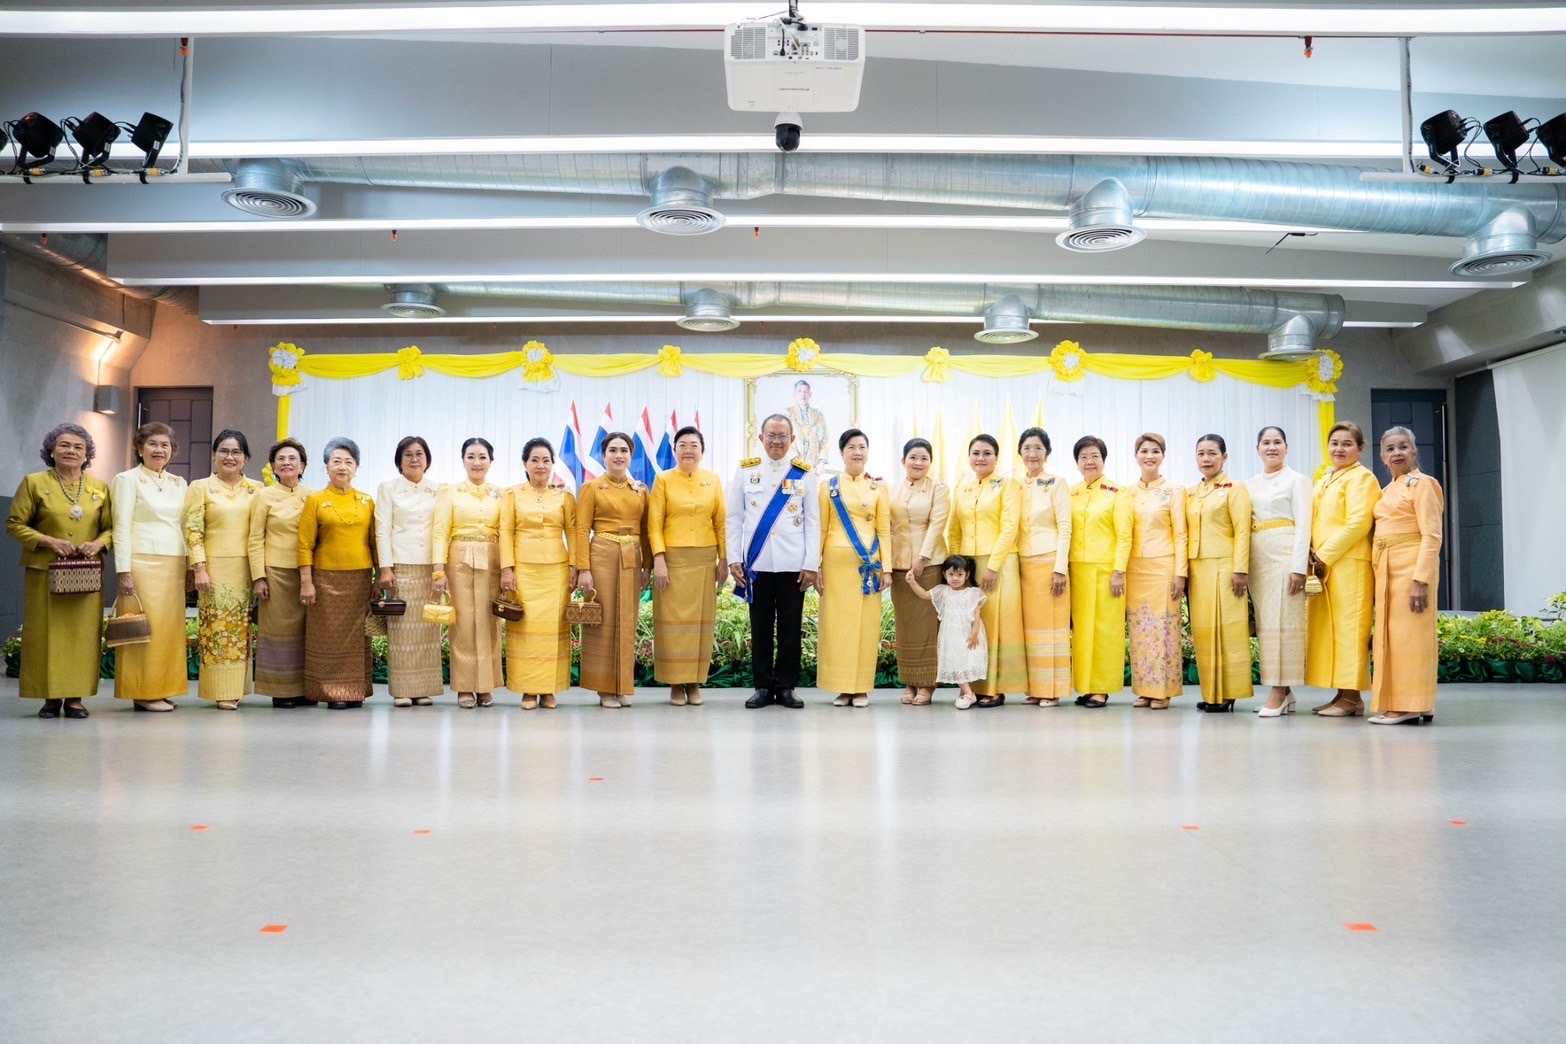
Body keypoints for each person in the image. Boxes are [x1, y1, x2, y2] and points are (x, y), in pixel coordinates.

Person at [6, 424, 113, 719]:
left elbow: (111, 529)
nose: (71, 451)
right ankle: (50, 698)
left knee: (82, 636)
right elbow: (14, 524)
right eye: (64, 445)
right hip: (44, 571)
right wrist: (47, 540)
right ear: (51, 450)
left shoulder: (100, 487)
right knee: (45, 636)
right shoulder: (34, 483)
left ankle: (76, 699)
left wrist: (99, 544)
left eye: (78, 447)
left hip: (86, 573)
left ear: (87, 454)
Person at [730, 414, 819, 710]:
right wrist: (734, 559)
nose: (777, 441)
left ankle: (787, 686)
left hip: (793, 563)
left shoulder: (804, 474)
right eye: (771, 435)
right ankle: (763, 686)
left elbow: (813, 523)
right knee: (761, 626)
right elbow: (734, 519)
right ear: (761, 438)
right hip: (757, 564)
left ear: (792, 440)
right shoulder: (746, 473)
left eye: (783, 436)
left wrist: (811, 564)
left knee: (791, 627)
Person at [110, 422, 189, 712]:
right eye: (152, 444)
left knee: (169, 629)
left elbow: (184, 526)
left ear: (172, 450)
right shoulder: (126, 479)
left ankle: (163, 688)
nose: (159, 449)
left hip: (174, 562)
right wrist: (123, 571)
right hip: (141, 561)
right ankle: (142, 692)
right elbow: (120, 527)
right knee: (143, 628)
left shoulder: (179, 483)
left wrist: (191, 564)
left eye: (165, 445)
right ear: (139, 448)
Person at [1368, 426, 1444, 726]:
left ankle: (1410, 705)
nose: (1396, 453)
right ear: (1382, 456)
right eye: (1390, 448)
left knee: (1412, 636)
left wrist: (1421, 579)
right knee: (1393, 637)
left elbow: (1432, 535)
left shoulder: (1423, 484)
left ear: (1414, 451)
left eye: (1403, 447)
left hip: (1411, 567)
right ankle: (1410, 702)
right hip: (1386, 567)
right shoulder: (1387, 490)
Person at [184, 429, 263, 709]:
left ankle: (237, 687)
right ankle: (221, 690)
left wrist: (261, 574)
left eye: (236, 452)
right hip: (214, 569)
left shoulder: (258, 489)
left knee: (242, 629)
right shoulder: (200, 487)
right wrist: (199, 569)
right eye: (224, 451)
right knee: (217, 629)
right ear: (214, 455)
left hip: (246, 570)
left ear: (245, 458)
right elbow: (192, 530)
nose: (230, 457)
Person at [1306, 421, 1381, 718]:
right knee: (1333, 630)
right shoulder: (1327, 478)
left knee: (1350, 629)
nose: (1339, 449)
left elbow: (1358, 523)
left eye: (1347, 444)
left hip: (1350, 564)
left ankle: (1352, 698)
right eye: (1334, 443)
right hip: (1326, 564)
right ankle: (1341, 694)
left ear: (1360, 449)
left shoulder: (1363, 478)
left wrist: (1323, 555)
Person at [648, 425, 726, 706]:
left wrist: (724, 560)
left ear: (702, 451)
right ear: (675, 450)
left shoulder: (713, 480)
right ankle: (675, 683)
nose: (688, 450)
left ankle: (694, 683)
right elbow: (654, 524)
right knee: (673, 624)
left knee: (700, 625)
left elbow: (721, 522)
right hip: (672, 560)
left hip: (705, 560)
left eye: (694, 444)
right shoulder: (663, 480)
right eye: (682, 445)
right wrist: (659, 559)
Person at [575, 432, 652, 709]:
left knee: (626, 621)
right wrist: (583, 568)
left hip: (632, 556)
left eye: (624, 451)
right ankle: (604, 689)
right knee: (603, 621)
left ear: (631, 456)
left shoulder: (640, 489)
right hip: (602, 553)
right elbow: (582, 529)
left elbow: (646, 530)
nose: (618, 456)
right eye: (612, 450)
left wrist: (648, 565)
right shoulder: (592, 488)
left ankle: (622, 685)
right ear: (603, 455)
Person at [298, 437, 376, 709]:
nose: (343, 467)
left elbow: (375, 542)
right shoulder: (315, 500)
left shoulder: (367, 501)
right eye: (337, 461)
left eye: (349, 462)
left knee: (356, 637)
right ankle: (331, 692)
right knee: (327, 637)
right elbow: (305, 544)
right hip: (325, 579)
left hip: (360, 579)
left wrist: (380, 578)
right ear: (326, 467)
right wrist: (306, 582)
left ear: (357, 468)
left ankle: (355, 691)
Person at [948, 434, 1025, 707]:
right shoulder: (962, 489)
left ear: (996, 457)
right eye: (976, 453)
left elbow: (1009, 527)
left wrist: (993, 565)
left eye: (987, 453)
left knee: (995, 624)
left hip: (1000, 563)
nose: (981, 458)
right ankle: (974, 685)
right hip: (969, 566)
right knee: (971, 624)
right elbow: (954, 530)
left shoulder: (1008, 486)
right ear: (969, 457)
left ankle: (995, 688)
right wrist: (956, 568)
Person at [817, 428, 892, 706]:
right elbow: (821, 529)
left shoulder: (878, 488)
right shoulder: (828, 486)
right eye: (851, 447)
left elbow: (884, 530)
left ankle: (860, 688)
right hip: (835, 568)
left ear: (868, 452)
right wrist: (816, 567)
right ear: (841, 453)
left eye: (862, 446)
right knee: (837, 626)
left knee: (865, 627)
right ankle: (841, 687)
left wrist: (887, 568)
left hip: (869, 569)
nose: (857, 452)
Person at [500, 438, 576, 709]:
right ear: (525, 464)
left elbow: (572, 531)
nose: (540, 465)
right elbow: (506, 531)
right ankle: (528, 690)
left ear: (553, 464)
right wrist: (507, 569)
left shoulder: (564, 494)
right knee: (525, 629)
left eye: (546, 460)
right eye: (535, 460)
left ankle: (549, 689)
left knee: (554, 629)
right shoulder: (512, 494)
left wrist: (575, 566)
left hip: (556, 570)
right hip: (524, 570)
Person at [1244, 426, 1312, 717]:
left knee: (1285, 622)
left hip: (1285, 557)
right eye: (1266, 443)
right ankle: (1285, 692)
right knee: (1267, 626)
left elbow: (1304, 526)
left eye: (1277, 442)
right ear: (1257, 449)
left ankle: (1278, 689)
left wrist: (1299, 568)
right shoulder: (1248, 485)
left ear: (1287, 447)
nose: (1271, 447)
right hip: (1259, 560)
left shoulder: (1298, 481)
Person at [433, 438, 505, 708]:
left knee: (489, 623)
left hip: (493, 557)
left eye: (483, 457)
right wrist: (438, 570)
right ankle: (464, 687)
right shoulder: (449, 492)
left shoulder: (501, 494)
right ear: (463, 460)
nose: (477, 462)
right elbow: (440, 530)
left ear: (491, 462)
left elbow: (507, 531)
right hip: (459, 557)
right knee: (462, 623)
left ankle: (486, 686)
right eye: (471, 456)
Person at [373, 436, 444, 707]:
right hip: (400, 565)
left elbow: (442, 529)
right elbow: (382, 530)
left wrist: (441, 568)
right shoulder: (388, 488)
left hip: (430, 567)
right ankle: (402, 689)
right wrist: (385, 568)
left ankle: (423, 689)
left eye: (419, 454)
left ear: (427, 459)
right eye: (408, 455)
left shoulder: (439, 490)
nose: (414, 459)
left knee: (427, 630)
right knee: (402, 629)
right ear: (399, 460)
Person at [1186, 434, 1253, 712]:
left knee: (1229, 630)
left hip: (1227, 566)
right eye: (1201, 453)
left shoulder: (1235, 487)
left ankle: (1229, 693)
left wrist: (1240, 569)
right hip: (1198, 568)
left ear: (1224, 457)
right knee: (1204, 632)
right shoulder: (1191, 492)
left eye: (1212, 453)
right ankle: (1211, 693)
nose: (1206, 458)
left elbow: (1242, 530)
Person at [249, 438, 316, 707]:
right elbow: (254, 539)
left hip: (307, 574)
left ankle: (304, 689)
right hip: (275, 572)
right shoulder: (263, 496)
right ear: (274, 466)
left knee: (305, 634)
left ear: (302, 466)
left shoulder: (313, 496)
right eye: (281, 459)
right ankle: (282, 691)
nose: (286, 463)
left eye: (292, 459)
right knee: (277, 634)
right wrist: (258, 577)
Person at [1068, 436, 1132, 708]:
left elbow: (1125, 535)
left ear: (1103, 459)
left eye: (1094, 455)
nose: (1089, 461)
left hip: (1107, 570)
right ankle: (1085, 686)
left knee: (1106, 630)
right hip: (1077, 571)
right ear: (1077, 462)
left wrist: (1119, 571)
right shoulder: (1071, 492)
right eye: (1083, 457)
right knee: (1082, 631)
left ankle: (1102, 688)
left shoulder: (1118, 492)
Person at [1127, 433, 1186, 709]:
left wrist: (1180, 573)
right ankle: (1146, 689)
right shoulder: (1127, 493)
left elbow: (1181, 534)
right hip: (1134, 569)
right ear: (1136, 456)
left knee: (1164, 630)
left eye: (1155, 451)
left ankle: (1163, 691)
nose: (1149, 456)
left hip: (1164, 567)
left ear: (1163, 456)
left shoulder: (1174, 491)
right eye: (1144, 451)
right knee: (1141, 630)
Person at [888, 437, 949, 705]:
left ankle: (927, 684)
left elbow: (937, 524)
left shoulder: (939, 489)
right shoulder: (892, 490)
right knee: (906, 626)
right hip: (899, 564)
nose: (918, 462)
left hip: (930, 563)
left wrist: (922, 558)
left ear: (930, 462)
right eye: (913, 457)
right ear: (903, 461)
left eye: (924, 458)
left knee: (927, 625)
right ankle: (910, 682)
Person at [1017, 427, 1072, 706]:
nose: (1032, 453)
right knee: (1031, 631)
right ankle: (1036, 688)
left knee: (1051, 629)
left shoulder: (1056, 483)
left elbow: (1065, 526)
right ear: (1020, 453)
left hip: (1050, 561)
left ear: (1047, 453)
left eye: (1038, 448)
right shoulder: (1015, 485)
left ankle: (1052, 690)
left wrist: (1060, 567)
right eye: (1027, 448)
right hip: (1023, 565)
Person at [902, 555, 987, 710]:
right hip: (950, 635)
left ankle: (966, 693)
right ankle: (969, 694)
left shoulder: (971, 593)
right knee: (955, 661)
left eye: (959, 574)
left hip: (966, 634)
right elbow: (924, 594)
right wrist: (912, 582)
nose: (955, 578)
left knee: (965, 661)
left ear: (967, 575)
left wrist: (975, 633)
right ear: (944, 575)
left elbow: (976, 615)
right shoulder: (943, 591)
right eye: (951, 574)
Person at [786, 379, 830, 472]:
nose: (803, 394)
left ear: (810, 394)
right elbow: (782, 439)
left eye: (805, 391)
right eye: (799, 391)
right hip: (793, 464)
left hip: (813, 465)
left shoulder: (818, 415)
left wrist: (822, 461)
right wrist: (794, 459)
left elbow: (825, 439)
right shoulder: (787, 414)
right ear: (794, 394)